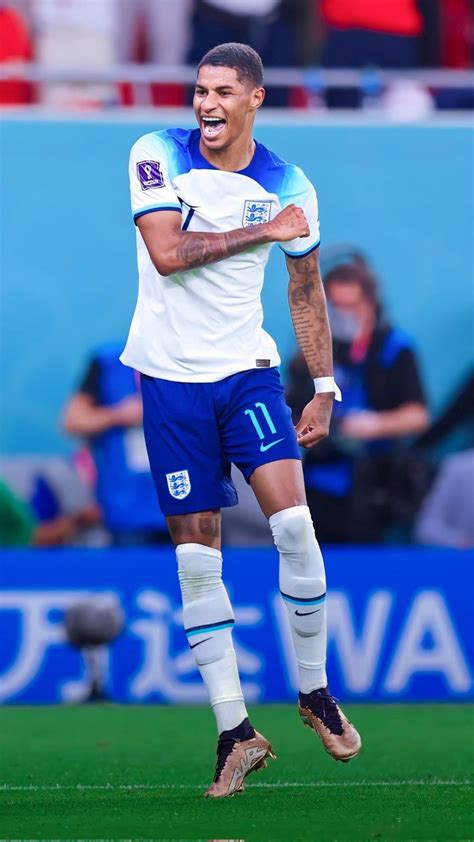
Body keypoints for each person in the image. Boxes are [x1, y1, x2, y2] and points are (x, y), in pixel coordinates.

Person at [121, 42, 361, 798]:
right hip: (169, 381)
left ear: (255, 98)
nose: (206, 104)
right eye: (199, 91)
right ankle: (235, 732)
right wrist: (263, 229)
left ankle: (314, 692)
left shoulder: (292, 183)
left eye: (223, 91)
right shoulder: (156, 154)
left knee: (295, 526)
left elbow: (304, 286)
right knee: (199, 560)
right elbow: (166, 253)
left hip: (248, 375)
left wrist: (323, 385)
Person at [287, 253, 429, 543]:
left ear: (370, 301)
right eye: (336, 308)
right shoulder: (311, 353)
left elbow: (418, 415)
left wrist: (372, 425)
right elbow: (292, 410)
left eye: (352, 307)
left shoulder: (395, 348)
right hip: (319, 479)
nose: (344, 315)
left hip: (375, 482)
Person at [63, 341, 168, 545]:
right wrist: (120, 415)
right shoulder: (109, 361)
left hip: (188, 497)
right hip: (127, 505)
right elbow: (72, 420)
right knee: (134, 573)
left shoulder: (190, 357)